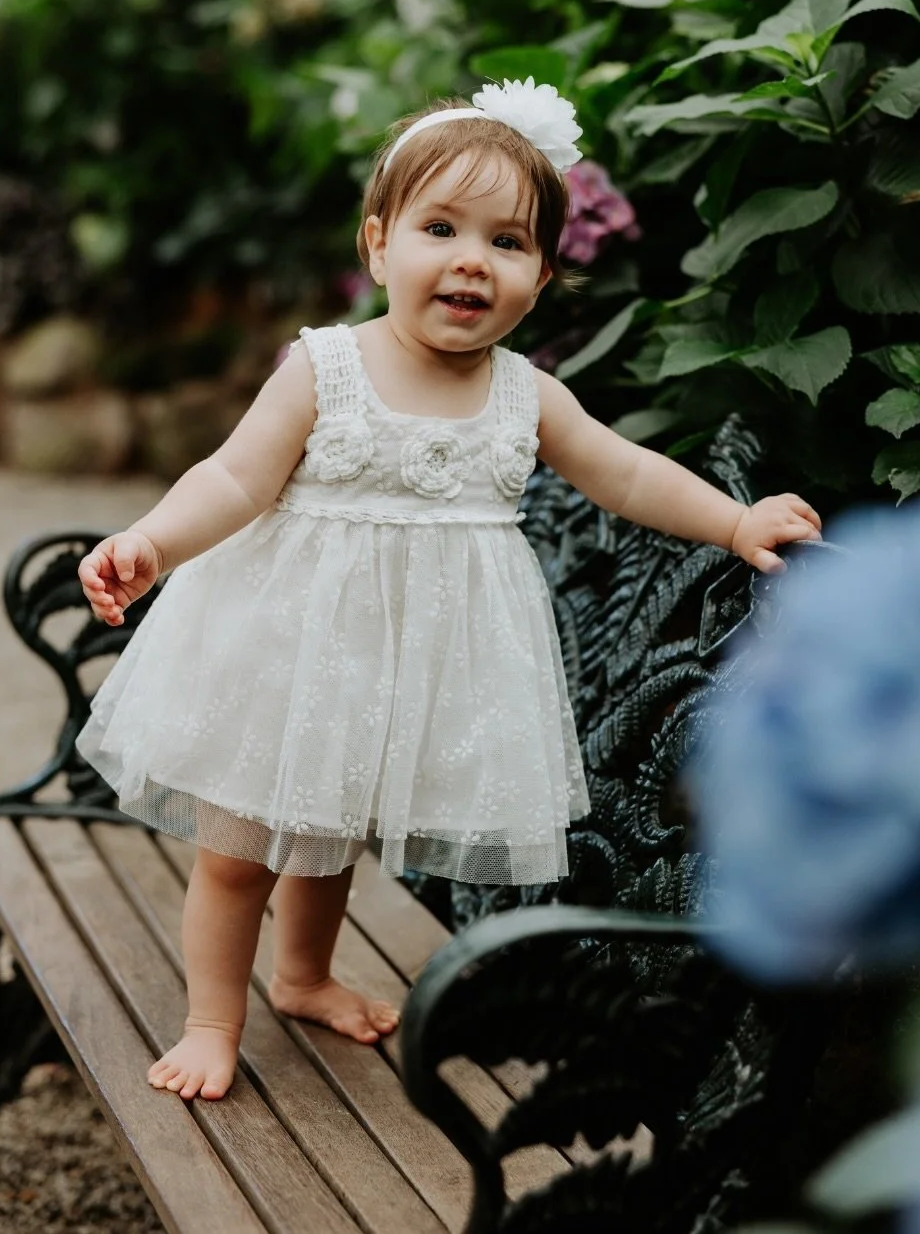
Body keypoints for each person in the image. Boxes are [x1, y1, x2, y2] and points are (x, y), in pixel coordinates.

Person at [76, 77, 821, 1103]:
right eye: (440, 228)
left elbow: (627, 473)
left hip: (399, 673)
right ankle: (211, 1020)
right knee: (241, 852)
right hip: (280, 654)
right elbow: (236, 477)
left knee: (332, 838)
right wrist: (153, 543)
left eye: (507, 242)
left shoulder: (527, 395)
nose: (472, 258)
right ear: (379, 245)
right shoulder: (325, 368)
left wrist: (736, 521)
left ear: (544, 275)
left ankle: (300, 976)